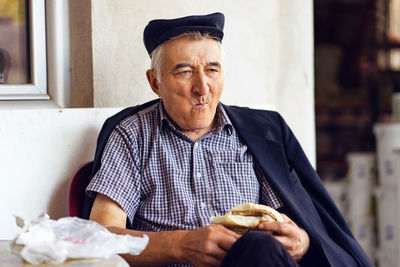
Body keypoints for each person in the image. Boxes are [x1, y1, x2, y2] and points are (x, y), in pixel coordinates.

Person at [84, 12, 373, 266]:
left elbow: (295, 221)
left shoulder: (259, 133)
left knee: (260, 246)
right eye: (184, 72)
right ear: (155, 82)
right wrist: (180, 246)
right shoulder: (132, 134)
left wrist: (302, 242)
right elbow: (101, 237)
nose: (202, 87)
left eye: (212, 69)